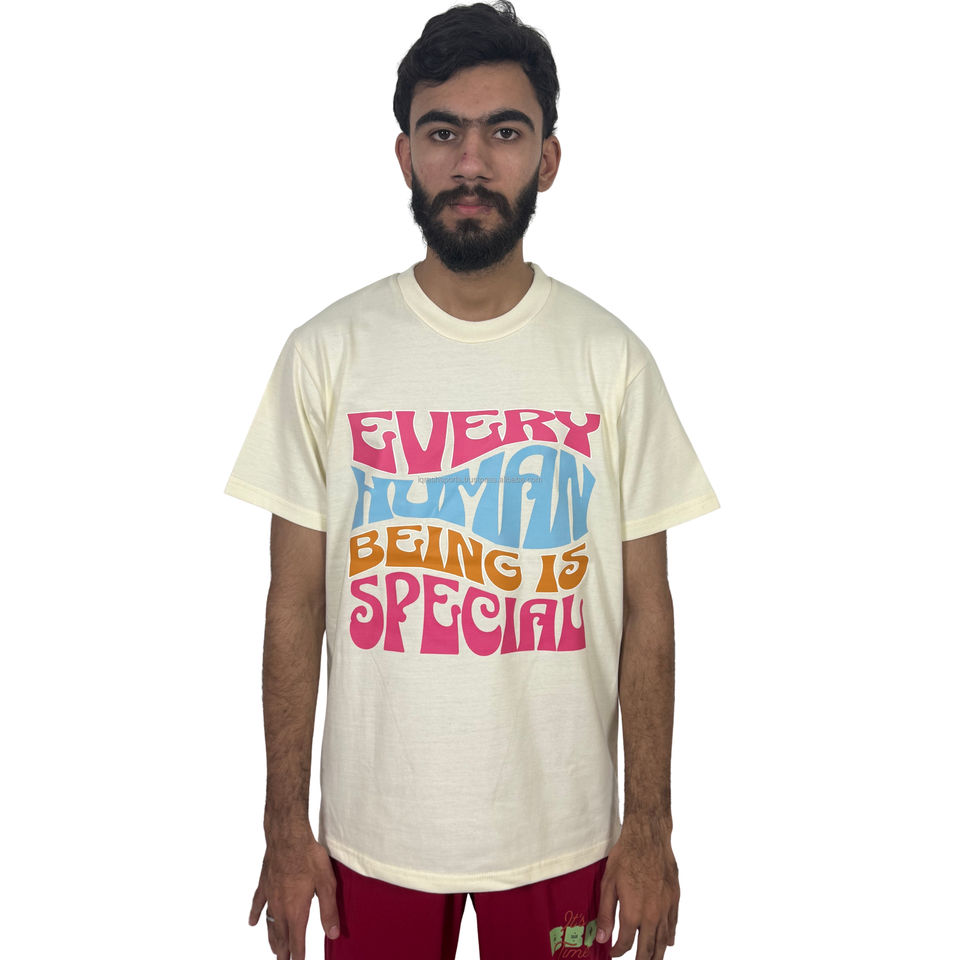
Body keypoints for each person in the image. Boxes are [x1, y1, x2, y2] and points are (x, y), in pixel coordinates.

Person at [223, 3, 720, 958]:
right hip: (370, 841)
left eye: (505, 132)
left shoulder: (611, 360)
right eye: (443, 132)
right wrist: (284, 827)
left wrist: (649, 827)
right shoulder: (326, 353)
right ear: (404, 155)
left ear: (549, 159)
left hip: (566, 838)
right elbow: (294, 603)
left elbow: (648, 609)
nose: (472, 163)